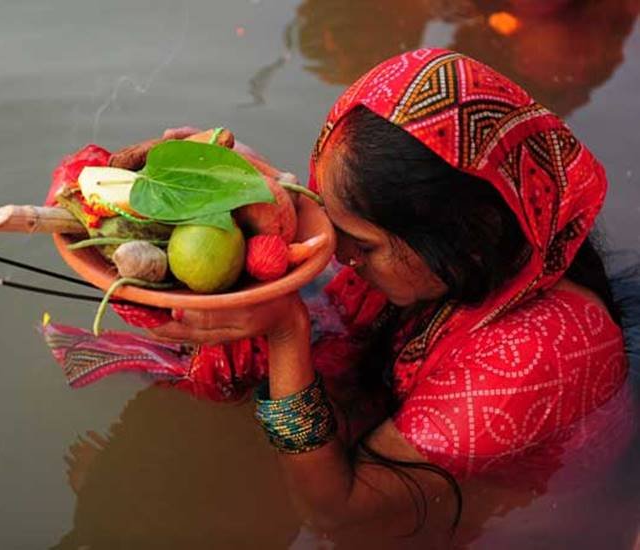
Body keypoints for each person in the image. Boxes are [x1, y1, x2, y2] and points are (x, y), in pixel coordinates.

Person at [43, 49, 636, 546]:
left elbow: (337, 512)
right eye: (326, 214)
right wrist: (260, 198)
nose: (337, 256)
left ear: (461, 247)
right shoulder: (474, 256)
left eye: (360, 244)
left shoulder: (538, 353)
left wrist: (284, 334)